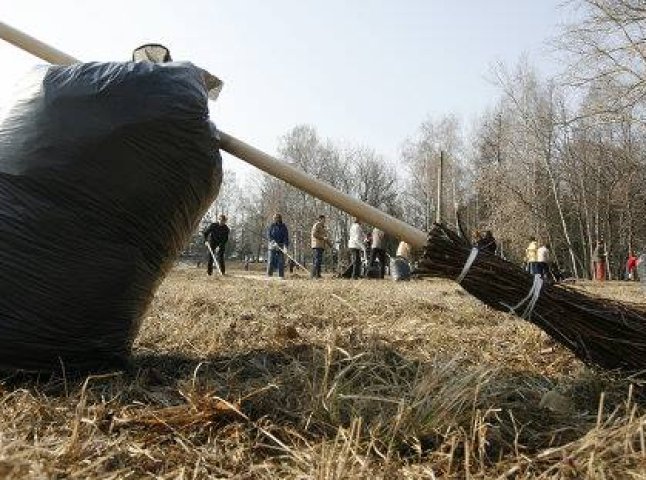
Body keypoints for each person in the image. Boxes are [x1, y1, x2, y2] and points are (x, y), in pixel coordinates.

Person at [267, 213, 289, 278]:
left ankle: (281, 276)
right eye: (274, 218)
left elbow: (286, 237)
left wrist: (285, 246)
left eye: (277, 218)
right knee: (271, 261)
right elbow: (269, 235)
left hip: (281, 245)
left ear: (280, 218)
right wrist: (273, 242)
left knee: (281, 261)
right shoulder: (271, 226)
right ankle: (269, 275)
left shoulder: (284, 226)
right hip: (272, 245)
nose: (275, 219)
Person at [310, 214, 329, 278]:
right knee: (317, 260)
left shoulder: (323, 226)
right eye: (324, 219)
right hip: (317, 245)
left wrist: (330, 245)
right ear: (320, 219)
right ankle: (313, 275)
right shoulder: (317, 225)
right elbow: (314, 234)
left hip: (321, 245)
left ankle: (318, 275)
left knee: (319, 261)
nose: (325, 221)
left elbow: (325, 237)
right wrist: (323, 238)